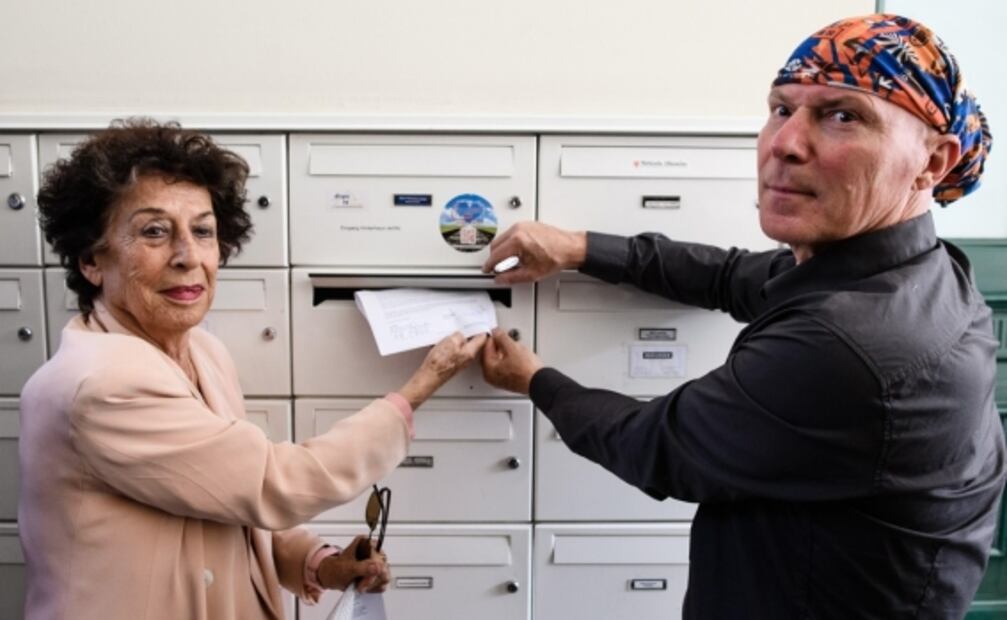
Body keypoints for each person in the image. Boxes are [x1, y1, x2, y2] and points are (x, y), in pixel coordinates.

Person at [480, 13, 1004, 619]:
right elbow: (729, 275)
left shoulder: (851, 343)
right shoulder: (905, 272)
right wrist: (580, 248)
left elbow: (655, 446)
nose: (785, 143)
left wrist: (534, 379)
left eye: (843, 116)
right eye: (782, 109)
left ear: (933, 162)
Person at [19, 119, 487, 620]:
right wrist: (416, 390)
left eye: (202, 231)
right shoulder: (101, 383)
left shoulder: (202, 352)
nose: (187, 256)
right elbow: (271, 483)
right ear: (92, 260)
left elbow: (227, 499)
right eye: (154, 232)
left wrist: (321, 563)